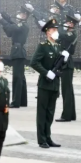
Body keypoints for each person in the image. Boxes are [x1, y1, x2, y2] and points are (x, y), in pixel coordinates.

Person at [31, 19, 65, 148]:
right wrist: (46, 73)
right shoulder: (43, 46)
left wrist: (65, 59)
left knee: (50, 113)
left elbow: (60, 65)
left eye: (56, 29)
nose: (56, 32)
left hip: (55, 84)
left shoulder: (57, 46)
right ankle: (42, 139)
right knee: (42, 113)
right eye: (54, 30)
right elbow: (34, 62)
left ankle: (48, 137)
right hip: (45, 84)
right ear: (48, 33)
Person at [0, 6, 30, 108]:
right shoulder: (20, 25)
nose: (19, 15)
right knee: (21, 78)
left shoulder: (23, 25)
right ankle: (22, 101)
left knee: (17, 77)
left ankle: (16, 102)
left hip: (18, 52)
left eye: (21, 14)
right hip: (17, 52)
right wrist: (5, 18)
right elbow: (10, 33)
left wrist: (1, 19)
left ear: (25, 15)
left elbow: (11, 27)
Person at [56, 14, 78, 121]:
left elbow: (61, 35)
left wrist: (59, 27)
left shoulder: (71, 34)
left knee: (66, 90)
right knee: (67, 90)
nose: (67, 24)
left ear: (72, 24)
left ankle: (67, 115)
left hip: (67, 64)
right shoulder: (65, 33)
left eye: (69, 22)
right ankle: (71, 114)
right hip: (63, 62)